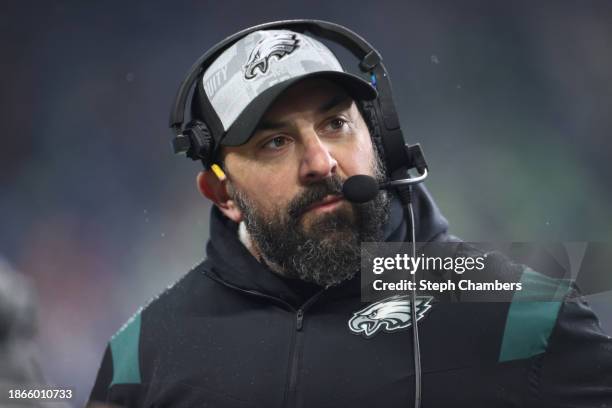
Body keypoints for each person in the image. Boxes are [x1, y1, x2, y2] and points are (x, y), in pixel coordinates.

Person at [89, 21, 612, 407]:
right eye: (275, 142)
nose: (320, 161)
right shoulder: (145, 354)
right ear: (220, 194)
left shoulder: (521, 310)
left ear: (381, 141)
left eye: (336, 123)